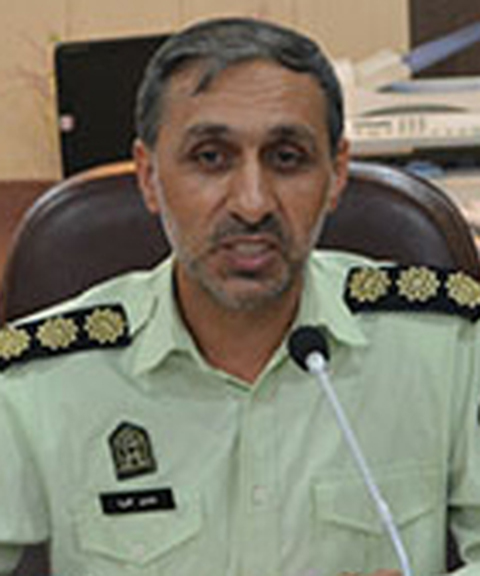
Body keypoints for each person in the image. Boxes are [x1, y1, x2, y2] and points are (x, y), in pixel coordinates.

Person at [0, 16, 480, 576]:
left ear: (336, 175)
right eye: (211, 157)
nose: (253, 203)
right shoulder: (41, 378)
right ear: (149, 177)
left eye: (287, 158)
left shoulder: (446, 344)